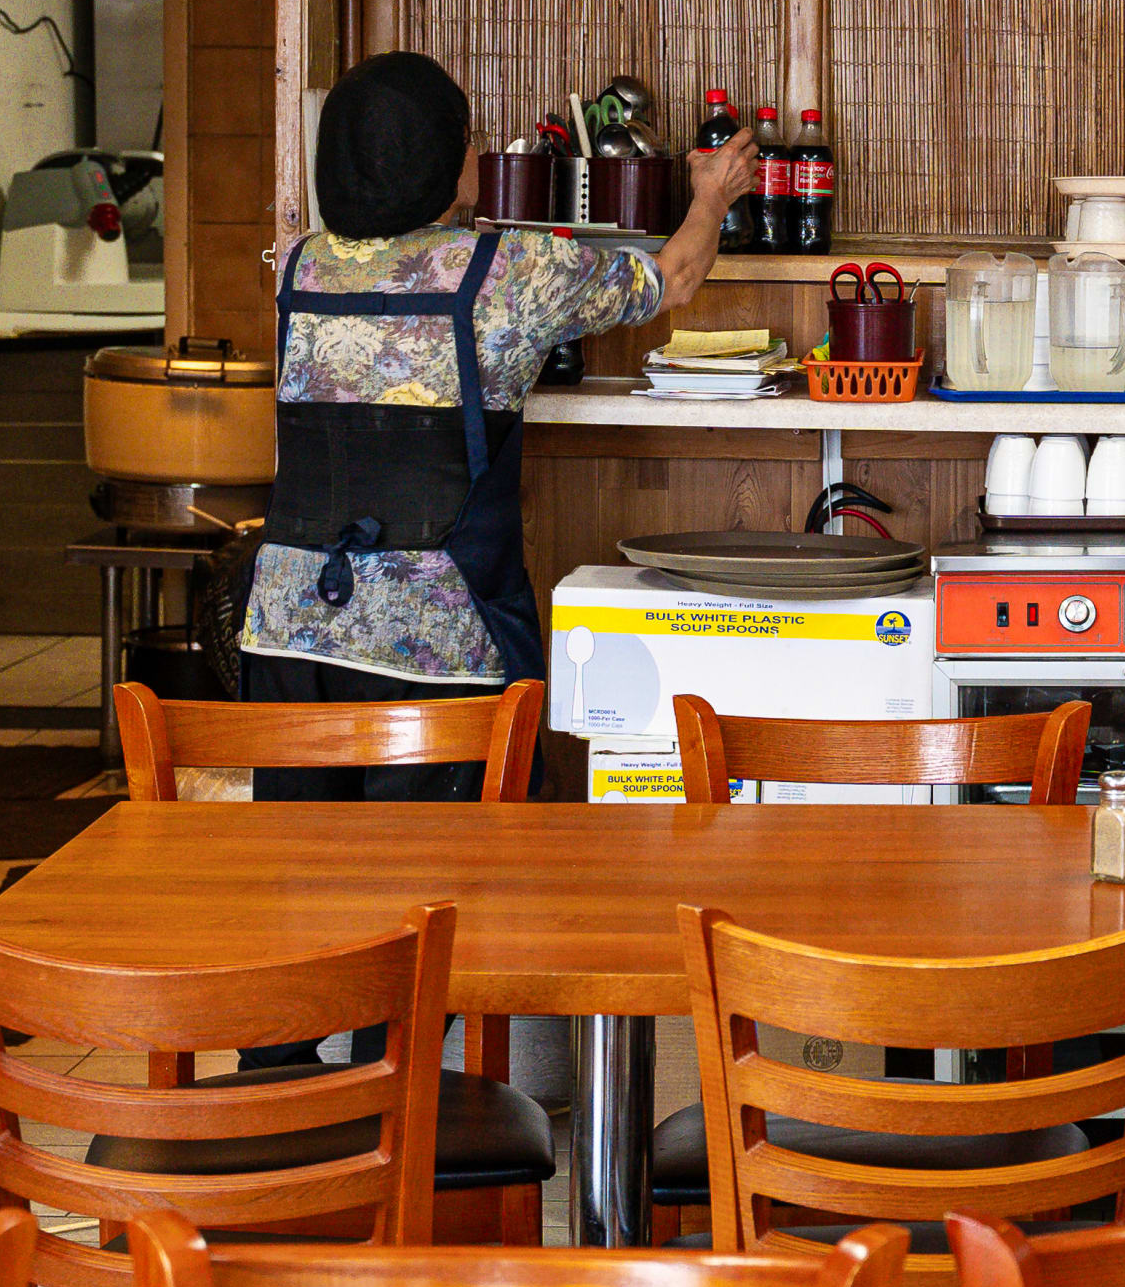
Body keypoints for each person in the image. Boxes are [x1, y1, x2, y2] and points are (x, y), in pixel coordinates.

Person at [237, 52, 757, 798]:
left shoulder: (298, 267)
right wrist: (710, 197)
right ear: (440, 159)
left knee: (305, 881)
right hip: (440, 643)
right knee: (455, 880)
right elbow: (672, 276)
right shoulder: (510, 271)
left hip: (291, 632)